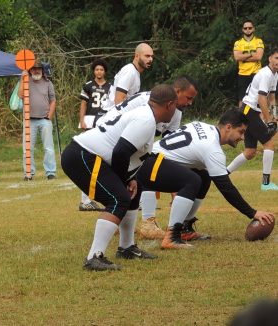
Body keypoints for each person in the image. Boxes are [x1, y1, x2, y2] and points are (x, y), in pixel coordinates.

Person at [61, 84, 178, 271]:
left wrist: (130, 179)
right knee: (118, 198)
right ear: (170, 104)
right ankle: (94, 257)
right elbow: (121, 152)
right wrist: (123, 181)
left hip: (90, 155)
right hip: (83, 155)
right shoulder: (146, 119)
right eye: (177, 106)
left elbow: (126, 154)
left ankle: (126, 247)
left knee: (134, 191)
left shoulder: (145, 115)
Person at [136, 109, 275, 249]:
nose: (242, 137)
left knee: (204, 177)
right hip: (149, 166)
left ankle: (184, 227)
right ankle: (172, 236)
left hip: (148, 161)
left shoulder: (201, 126)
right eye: (241, 131)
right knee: (192, 180)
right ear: (228, 127)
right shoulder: (213, 148)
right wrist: (253, 212)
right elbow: (226, 187)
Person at [105, 76, 199, 240]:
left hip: (131, 143)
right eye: (188, 97)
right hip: (112, 138)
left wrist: (176, 187)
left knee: (147, 166)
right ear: (177, 92)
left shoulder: (174, 111)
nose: (190, 103)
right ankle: (146, 222)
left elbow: (168, 149)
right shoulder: (148, 102)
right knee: (142, 170)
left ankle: (123, 221)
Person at [227, 47, 278, 191]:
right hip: (250, 111)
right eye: (276, 58)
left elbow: (271, 97)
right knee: (269, 145)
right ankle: (266, 183)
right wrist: (268, 120)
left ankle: (223, 174)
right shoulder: (266, 74)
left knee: (250, 151)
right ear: (269, 59)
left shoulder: (275, 75)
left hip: (249, 110)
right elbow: (262, 99)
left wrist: (274, 115)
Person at [78, 58, 111, 211]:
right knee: (90, 160)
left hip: (105, 122)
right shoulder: (88, 86)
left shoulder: (111, 87)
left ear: (105, 71)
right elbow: (83, 104)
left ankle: (102, 196)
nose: (99, 72)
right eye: (97, 69)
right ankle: (85, 199)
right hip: (91, 122)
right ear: (94, 71)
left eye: (101, 69)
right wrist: (82, 121)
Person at [18, 62, 57, 180]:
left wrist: (49, 116)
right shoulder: (26, 81)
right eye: (34, 69)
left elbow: (53, 100)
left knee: (48, 147)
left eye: (38, 69)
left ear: (42, 70)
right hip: (29, 120)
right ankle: (28, 173)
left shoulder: (48, 83)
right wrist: (22, 78)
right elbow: (20, 95)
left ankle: (51, 172)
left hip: (44, 120)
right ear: (30, 70)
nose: (36, 71)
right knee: (27, 148)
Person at [102, 43, 154, 110]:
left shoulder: (134, 72)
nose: (150, 59)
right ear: (137, 56)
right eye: (147, 56)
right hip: (110, 114)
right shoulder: (129, 71)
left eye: (152, 56)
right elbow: (118, 101)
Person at [233, 20, 265, 107]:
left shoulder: (258, 41)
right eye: (245, 28)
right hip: (243, 74)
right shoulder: (238, 43)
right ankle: (240, 119)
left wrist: (243, 56)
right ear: (242, 30)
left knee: (258, 98)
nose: (248, 29)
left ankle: (259, 119)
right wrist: (251, 54)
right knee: (242, 99)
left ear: (253, 29)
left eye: (250, 28)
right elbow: (237, 57)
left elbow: (258, 57)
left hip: (256, 73)